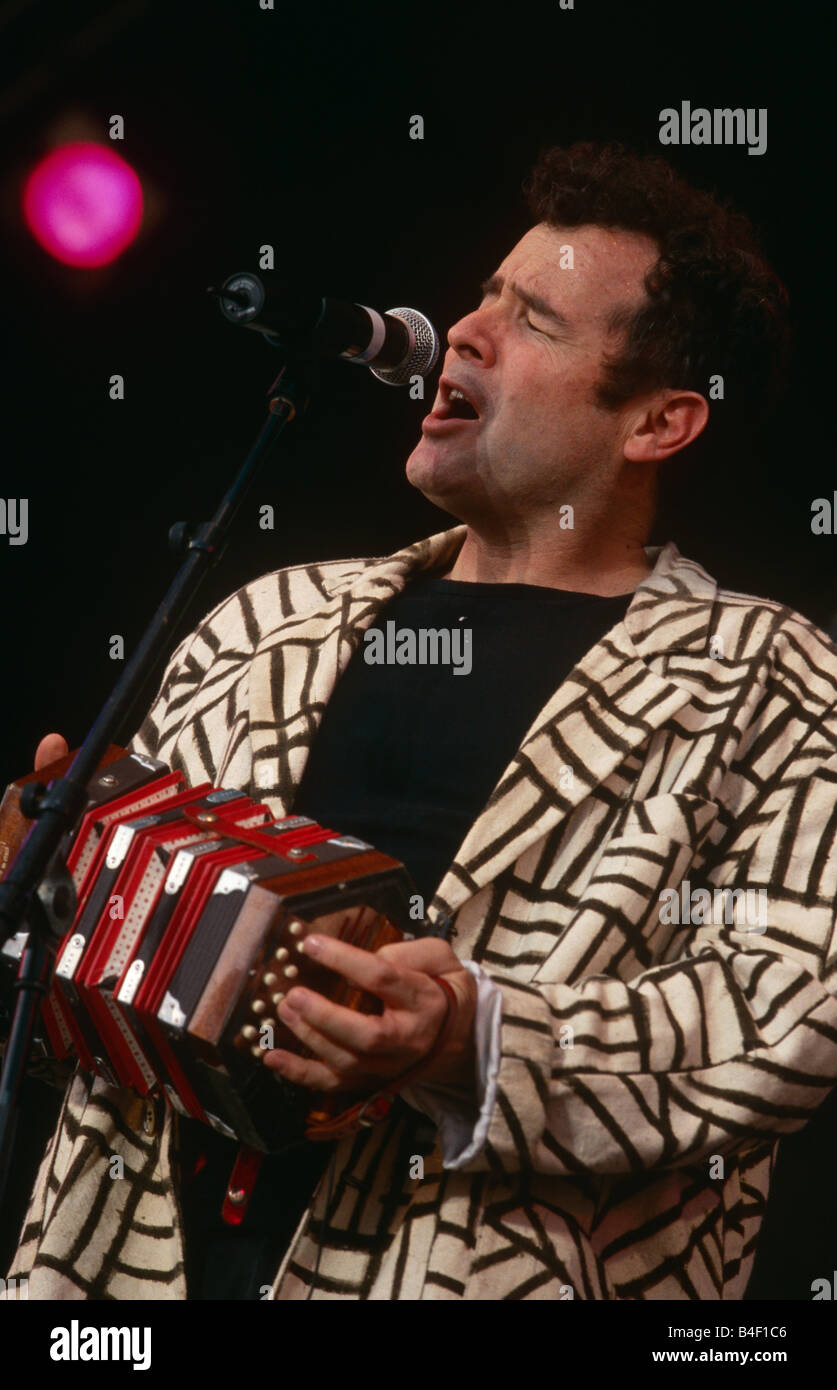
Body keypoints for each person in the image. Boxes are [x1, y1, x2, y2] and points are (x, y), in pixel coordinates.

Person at [7, 141, 837, 1302]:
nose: (462, 333)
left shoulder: (775, 679)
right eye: (484, 296)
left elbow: (785, 1015)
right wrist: (56, 875)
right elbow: (111, 971)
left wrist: (471, 1040)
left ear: (657, 423)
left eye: (534, 320)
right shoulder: (271, 620)